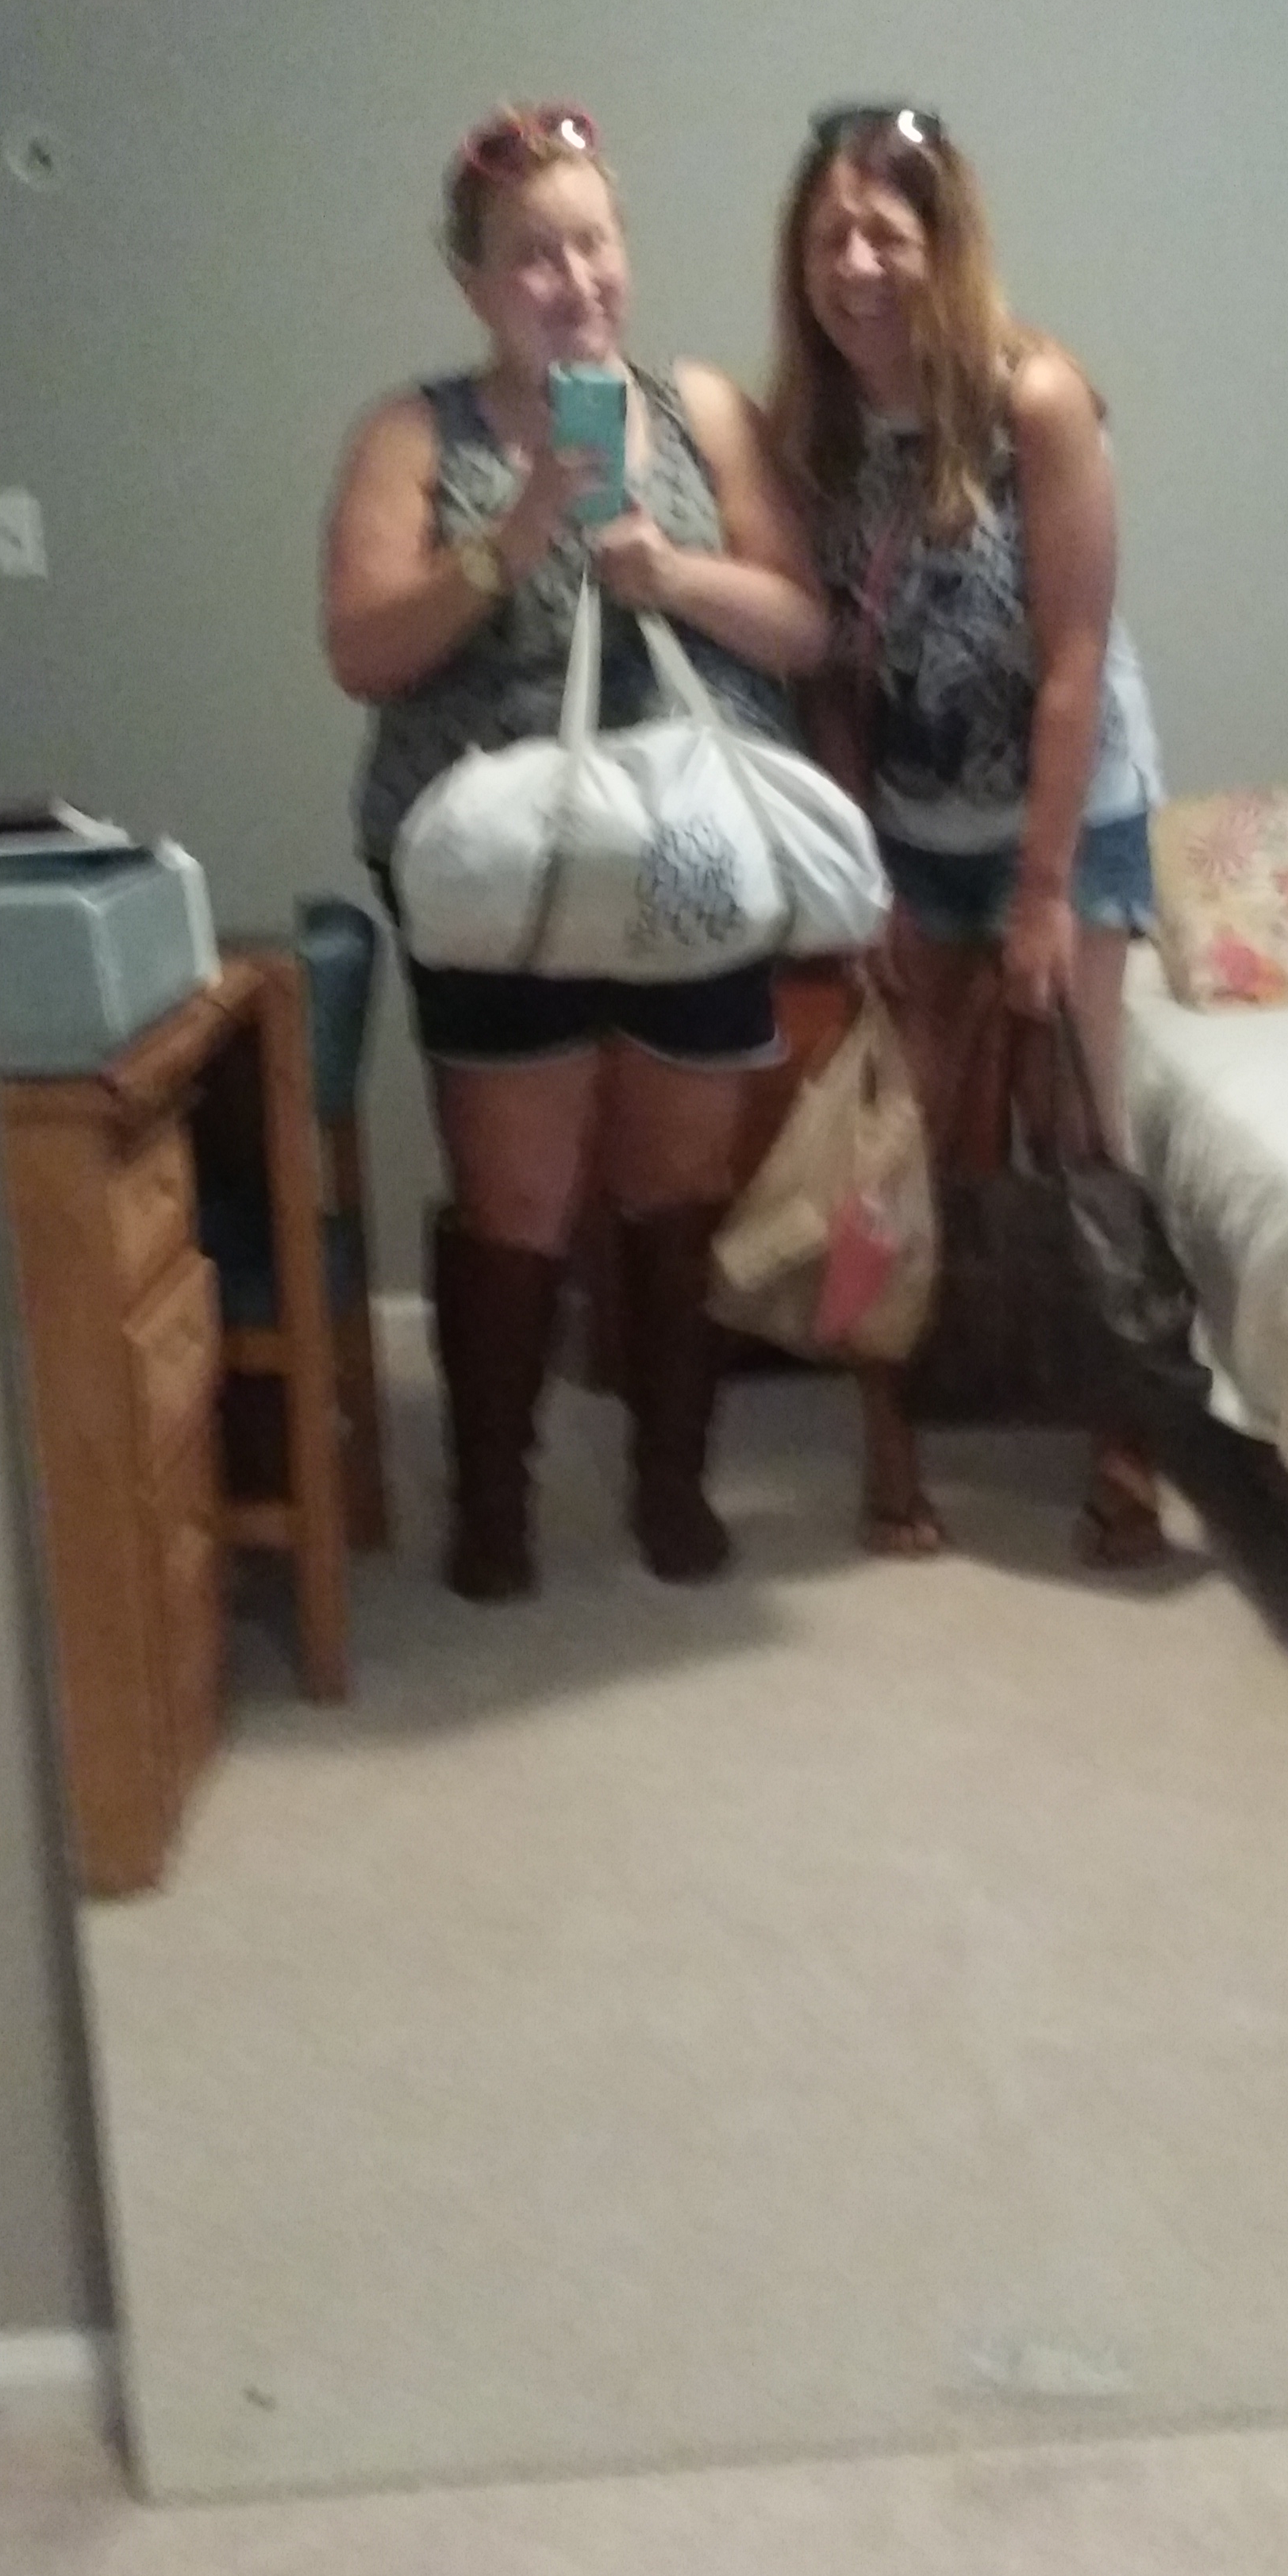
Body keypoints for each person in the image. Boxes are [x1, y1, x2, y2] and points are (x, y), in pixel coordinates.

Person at [323, 102, 829, 1601]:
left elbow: (802, 628)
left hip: (686, 849)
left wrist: (675, 573)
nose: (574, 279)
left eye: (593, 243)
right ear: (475, 281)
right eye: (534, 255)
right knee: (516, 1201)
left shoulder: (702, 410)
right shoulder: (414, 432)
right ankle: (494, 1499)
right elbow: (361, 649)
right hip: (496, 864)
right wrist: (518, 529)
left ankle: (673, 1482)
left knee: (676, 1187)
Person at [767, 102, 1168, 1565]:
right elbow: (829, 675)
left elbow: (1075, 659)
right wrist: (861, 868)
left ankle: (1126, 1441)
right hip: (910, 830)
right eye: (830, 236)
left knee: (1077, 1125)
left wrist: (1043, 893)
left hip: (1071, 813)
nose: (856, 265)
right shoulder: (808, 433)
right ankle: (890, 1434)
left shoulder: (1035, 402)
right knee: (902, 1143)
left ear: (947, 248)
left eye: (887, 233)